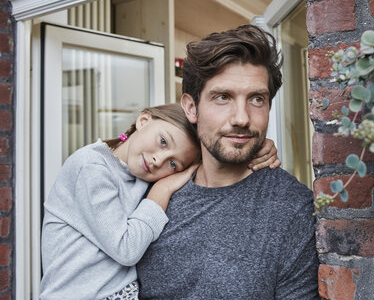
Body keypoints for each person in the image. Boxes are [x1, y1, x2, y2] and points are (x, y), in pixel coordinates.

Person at [137, 25, 320, 299]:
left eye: (257, 99)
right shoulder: (148, 190)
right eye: (223, 97)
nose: (241, 118)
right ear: (191, 107)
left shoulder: (293, 210)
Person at [39, 103, 280, 300]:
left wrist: (257, 148)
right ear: (144, 121)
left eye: (173, 164)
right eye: (163, 141)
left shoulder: (140, 176)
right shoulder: (91, 167)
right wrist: (163, 189)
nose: (159, 159)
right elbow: (126, 249)